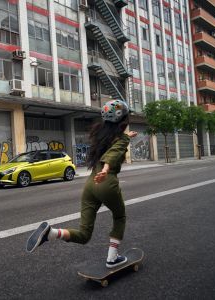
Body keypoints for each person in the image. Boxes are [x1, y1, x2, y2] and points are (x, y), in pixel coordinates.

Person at [26, 99, 138, 268]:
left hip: (90, 186)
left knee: (84, 234)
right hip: (105, 181)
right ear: (124, 120)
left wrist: (126, 138)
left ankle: (52, 233)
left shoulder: (102, 135)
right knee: (120, 216)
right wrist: (106, 169)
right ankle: (112, 258)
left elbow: (114, 145)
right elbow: (114, 153)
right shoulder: (120, 140)